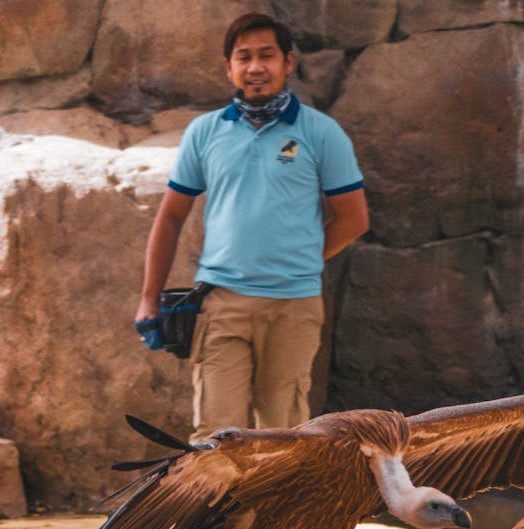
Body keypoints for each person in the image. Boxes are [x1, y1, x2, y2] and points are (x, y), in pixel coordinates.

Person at [135, 12, 368, 440]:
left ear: (288, 63)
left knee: (283, 438)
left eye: (267, 56)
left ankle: (272, 511)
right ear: (229, 67)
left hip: (293, 307)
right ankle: (221, 511)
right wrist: (149, 299)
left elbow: (353, 218)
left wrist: (296, 258)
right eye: (244, 57)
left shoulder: (321, 133)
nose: (255, 67)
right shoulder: (204, 132)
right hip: (222, 305)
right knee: (213, 438)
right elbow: (170, 218)